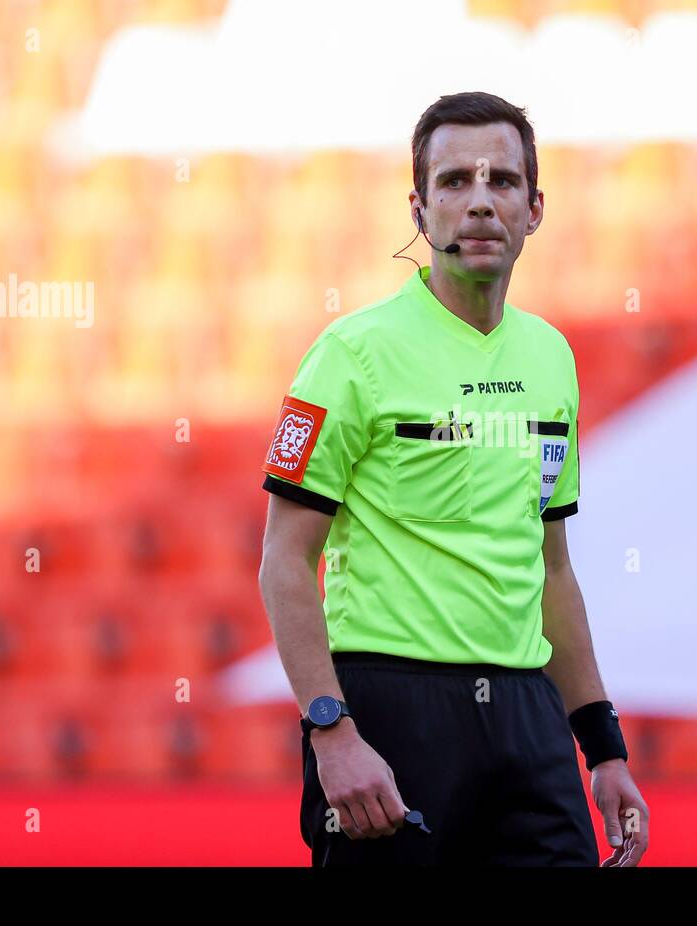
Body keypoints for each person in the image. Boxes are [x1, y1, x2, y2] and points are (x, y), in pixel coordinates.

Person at [258, 91, 649, 866]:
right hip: (394, 714)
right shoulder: (351, 354)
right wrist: (332, 732)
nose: (479, 203)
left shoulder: (552, 359)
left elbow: (551, 569)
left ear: (535, 209)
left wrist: (602, 748)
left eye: (502, 181)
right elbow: (283, 561)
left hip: (528, 719)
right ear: (420, 207)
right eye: (454, 183)